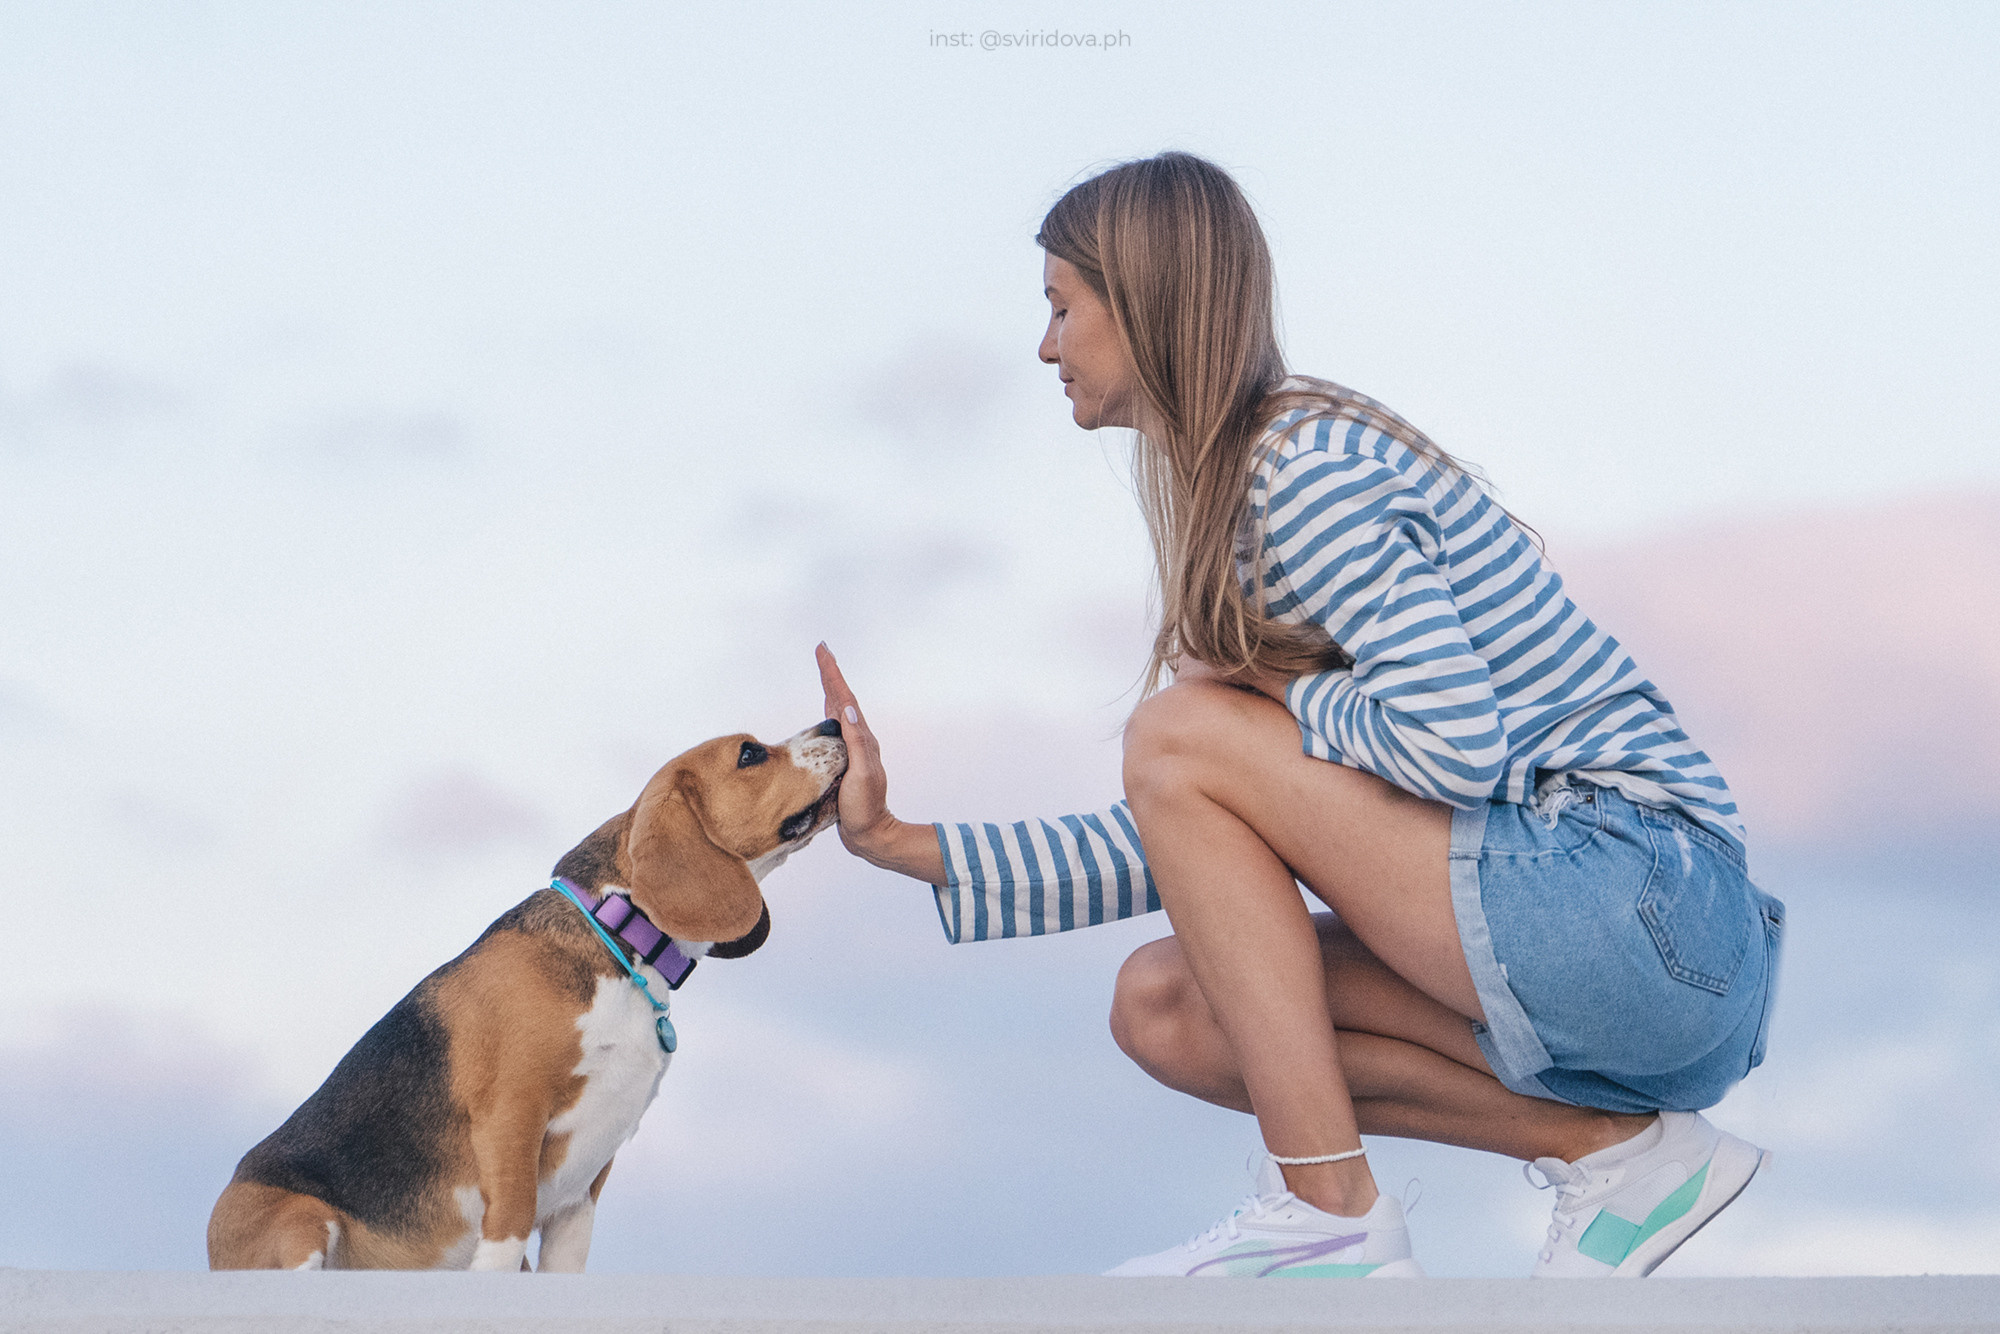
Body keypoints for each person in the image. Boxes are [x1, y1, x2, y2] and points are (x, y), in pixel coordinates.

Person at [813, 151, 1784, 1279]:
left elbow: (1452, 741)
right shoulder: (1244, 498)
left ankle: (1327, 1215)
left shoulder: (1301, 469)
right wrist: (894, 842)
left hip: (1644, 900)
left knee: (1177, 730)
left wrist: (1275, 694)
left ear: (1143, 303)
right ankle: (1619, 1157)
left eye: (1059, 305)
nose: (1044, 344)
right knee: (1168, 1003)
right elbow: (1193, 840)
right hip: (1609, 941)